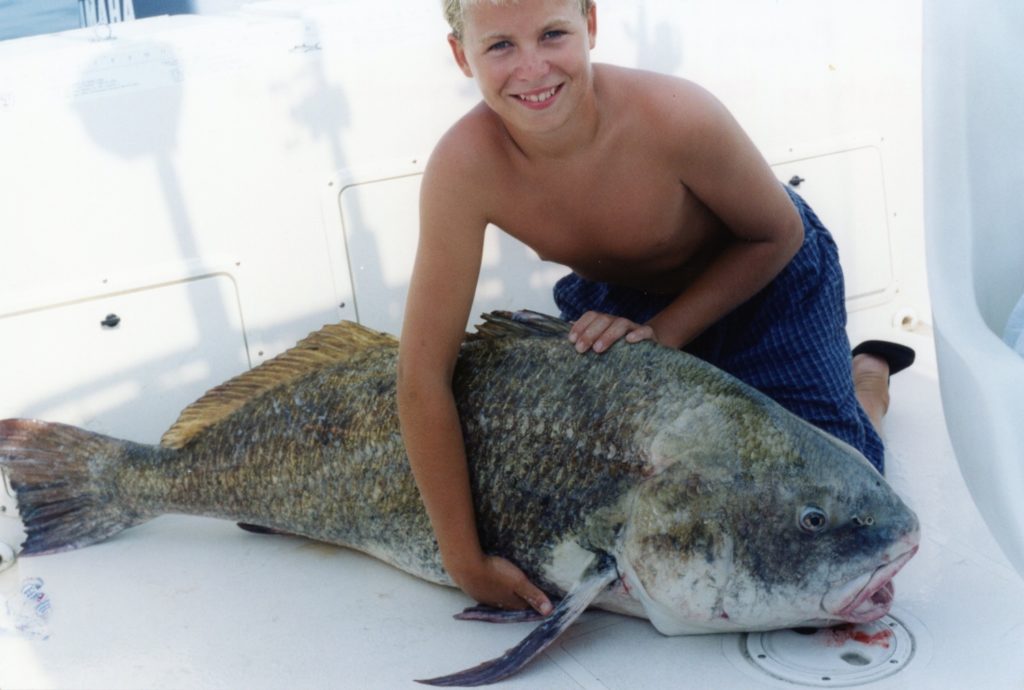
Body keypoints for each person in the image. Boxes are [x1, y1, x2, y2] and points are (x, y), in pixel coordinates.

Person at [396, 0, 913, 618]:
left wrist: (662, 334)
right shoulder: (463, 167)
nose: (531, 68)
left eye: (553, 34)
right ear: (461, 55)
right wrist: (465, 563)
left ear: (590, 23)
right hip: (626, 302)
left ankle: (868, 379)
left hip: (767, 281)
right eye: (499, 45)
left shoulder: (674, 114)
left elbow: (776, 236)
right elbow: (423, 376)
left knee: (837, 496)